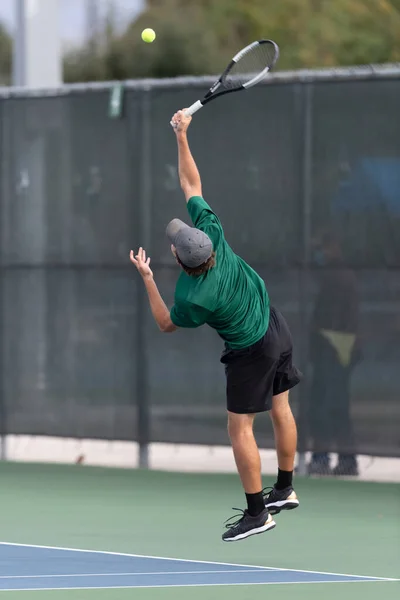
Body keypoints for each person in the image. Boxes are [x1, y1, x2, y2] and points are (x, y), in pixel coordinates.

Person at [130, 109, 302, 542]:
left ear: (181, 261)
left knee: (239, 428)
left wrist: (149, 279)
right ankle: (285, 487)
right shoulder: (214, 231)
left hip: (250, 350)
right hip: (275, 326)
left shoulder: (192, 296)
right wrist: (183, 135)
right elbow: (192, 183)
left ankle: (258, 512)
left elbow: (168, 324)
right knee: (281, 408)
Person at [308, 232, 360, 476]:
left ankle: (337, 459)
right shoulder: (329, 275)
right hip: (327, 346)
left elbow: (341, 318)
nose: (320, 253)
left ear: (335, 246)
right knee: (324, 403)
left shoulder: (339, 276)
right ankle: (327, 458)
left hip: (337, 348)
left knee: (332, 404)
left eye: (323, 248)